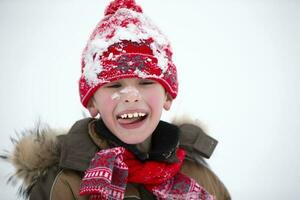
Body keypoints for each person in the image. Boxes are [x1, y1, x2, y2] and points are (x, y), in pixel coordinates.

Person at [3, 0, 231, 199]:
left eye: (145, 82)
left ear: (168, 95)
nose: (131, 96)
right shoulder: (65, 183)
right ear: (92, 102)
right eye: (114, 85)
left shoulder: (200, 178)